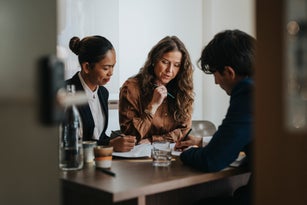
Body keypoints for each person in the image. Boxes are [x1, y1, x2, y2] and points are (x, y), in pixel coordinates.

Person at [175, 29, 255, 205]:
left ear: (229, 72)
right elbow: (240, 137)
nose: (216, 82)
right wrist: (202, 142)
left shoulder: (247, 91)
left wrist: (184, 154)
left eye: (215, 74)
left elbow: (212, 160)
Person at [119, 36, 194, 144]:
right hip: (138, 155)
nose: (170, 70)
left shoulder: (182, 88)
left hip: (171, 152)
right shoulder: (131, 87)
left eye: (176, 65)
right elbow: (130, 136)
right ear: (154, 60)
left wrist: (152, 140)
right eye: (165, 62)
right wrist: (152, 106)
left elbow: (184, 131)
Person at [66, 35, 136, 152]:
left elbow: (98, 137)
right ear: (87, 67)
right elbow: (68, 143)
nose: (111, 73)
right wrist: (110, 144)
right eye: (106, 68)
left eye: (113, 66)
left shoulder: (103, 93)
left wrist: (119, 141)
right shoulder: (67, 92)